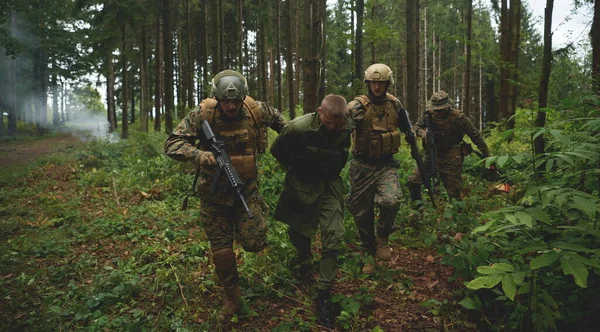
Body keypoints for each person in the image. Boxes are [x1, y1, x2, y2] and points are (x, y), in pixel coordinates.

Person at [164, 69, 287, 323]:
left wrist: (292, 148)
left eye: (235, 101)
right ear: (217, 99)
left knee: (255, 242)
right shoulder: (203, 114)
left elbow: (284, 127)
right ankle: (233, 297)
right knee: (222, 251)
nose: (230, 106)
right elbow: (172, 144)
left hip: (247, 191)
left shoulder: (257, 110)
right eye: (225, 101)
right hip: (213, 196)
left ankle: (253, 223)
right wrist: (200, 155)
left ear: (243, 98)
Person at [270, 94, 354, 329]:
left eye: (337, 124)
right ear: (319, 112)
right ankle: (303, 260)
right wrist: (297, 168)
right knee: (299, 232)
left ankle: (323, 293)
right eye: (328, 122)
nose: (333, 127)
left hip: (329, 184)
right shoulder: (298, 128)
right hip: (302, 183)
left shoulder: (348, 125)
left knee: (334, 234)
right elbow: (277, 150)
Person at [345, 63, 414, 275]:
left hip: (386, 165)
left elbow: (407, 128)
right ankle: (368, 251)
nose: (377, 87)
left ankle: (383, 236)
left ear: (387, 83)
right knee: (361, 212)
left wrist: (414, 138)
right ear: (368, 83)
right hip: (362, 166)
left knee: (391, 200)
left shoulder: (395, 105)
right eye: (373, 83)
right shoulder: (357, 107)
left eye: (381, 83)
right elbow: (341, 130)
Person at [407, 90, 490, 203]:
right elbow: (416, 127)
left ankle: (456, 216)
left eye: (441, 110)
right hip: (431, 155)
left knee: (454, 192)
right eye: (436, 110)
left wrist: (487, 156)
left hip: (451, 157)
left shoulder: (459, 118)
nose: (438, 113)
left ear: (447, 107)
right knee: (413, 181)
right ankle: (417, 209)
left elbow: (475, 136)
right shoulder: (428, 115)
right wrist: (421, 132)